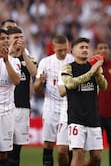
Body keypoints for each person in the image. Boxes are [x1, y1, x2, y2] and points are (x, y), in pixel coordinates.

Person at [60, 37, 107, 166]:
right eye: (81, 47)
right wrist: (91, 72)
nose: (85, 50)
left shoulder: (94, 67)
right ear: (73, 51)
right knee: (78, 154)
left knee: (97, 156)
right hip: (76, 118)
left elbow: (104, 86)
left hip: (93, 118)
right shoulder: (68, 68)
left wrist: (96, 71)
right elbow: (70, 84)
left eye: (87, 47)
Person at [33, 35, 74, 166]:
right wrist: (40, 81)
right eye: (60, 50)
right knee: (48, 144)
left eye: (65, 50)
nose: (63, 53)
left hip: (68, 106)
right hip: (50, 106)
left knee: (64, 148)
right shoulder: (45, 62)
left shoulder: (73, 61)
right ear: (53, 48)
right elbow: (35, 88)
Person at [6, 27, 37, 166]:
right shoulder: (4, 58)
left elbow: (33, 72)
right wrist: (11, 52)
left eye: (21, 37)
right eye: (15, 38)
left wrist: (23, 52)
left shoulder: (27, 57)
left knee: (17, 150)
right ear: (9, 40)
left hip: (23, 107)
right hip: (7, 107)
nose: (19, 40)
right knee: (4, 148)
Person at [0, 29, 21, 166]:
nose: (6, 41)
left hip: (7, 112)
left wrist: (6, 61)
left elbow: (16, 81)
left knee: (3, 153)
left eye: (7, 38)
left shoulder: (14, 61)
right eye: (2, 38)